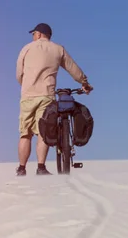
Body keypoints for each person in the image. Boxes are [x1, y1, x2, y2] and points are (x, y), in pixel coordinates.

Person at [15, 22, 92, 176]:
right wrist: (84, 82)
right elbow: (73, 68)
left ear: (38, 34)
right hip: (46, 95)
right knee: (43, 132)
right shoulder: (58, 49)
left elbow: (19, 74)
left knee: (25, 134)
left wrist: (26, 86)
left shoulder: (27, 48)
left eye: (33, 34)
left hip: (28, 95)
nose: (33, 36)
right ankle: (41, 167)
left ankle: (22, 169)